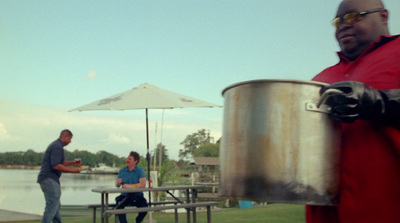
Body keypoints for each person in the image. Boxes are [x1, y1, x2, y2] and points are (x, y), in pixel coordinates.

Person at [306, 0, 400, 222]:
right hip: (325, 212)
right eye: (338, 21)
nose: (343, 26)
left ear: (384, 16)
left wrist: (378, 101)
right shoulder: (320, 79)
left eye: (354, 17)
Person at [37, 129, 82, 223]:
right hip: (49, 179)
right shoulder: (57, 147)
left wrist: (72, 163)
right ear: (64, 137)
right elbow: (56, 165)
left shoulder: (56, 146)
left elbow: (60, 162)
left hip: (48, 179)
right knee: (52, 205)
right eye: (70, 139)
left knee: (56, 206)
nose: (70, 141)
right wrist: (73, 171)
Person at [115, 151, 148, 223]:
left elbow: (142, 184)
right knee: (119, 205)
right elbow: (117, 185)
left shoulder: (140, 170)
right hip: (125, 195)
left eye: (130, 159)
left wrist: (130, 186)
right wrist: (118, 183)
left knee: (145, 207)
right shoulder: (122, 171)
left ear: (135, 161)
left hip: (137, 195)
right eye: (127, 158)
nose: (127, 160)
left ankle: (137, 221)